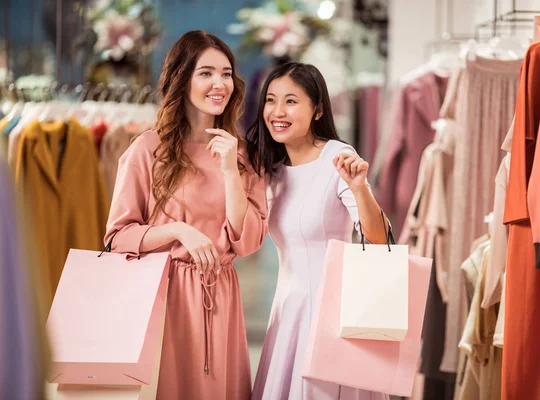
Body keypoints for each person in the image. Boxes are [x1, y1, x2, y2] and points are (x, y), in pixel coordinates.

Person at [104, 30, 268, 400]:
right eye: (206, 72)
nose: (219, 83)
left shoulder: (244, 155)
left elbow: (248, 241)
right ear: (182, 79)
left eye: (226, 73)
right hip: (162, 296)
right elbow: (117, 237)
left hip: (221, 295)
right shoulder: (147, 149)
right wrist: (177, 231)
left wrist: (230, 171)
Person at [246, 62, 391, 400]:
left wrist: (360, 188)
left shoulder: (337, 156)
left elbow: (379, 237)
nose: (278, 111)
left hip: (331, 311)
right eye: (271, 100)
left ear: (318, 109)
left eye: (291, 101)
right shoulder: (271, 169)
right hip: (287, 310)